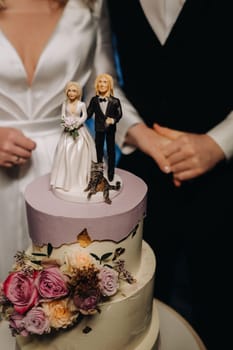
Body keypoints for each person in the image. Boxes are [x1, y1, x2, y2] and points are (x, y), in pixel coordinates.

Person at [107, 1, 233, 349]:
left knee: (220, 309)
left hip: (223, 180)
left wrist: (219, 143)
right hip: (141, 180)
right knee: (135, 312)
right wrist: (141, 135)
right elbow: (101, 78)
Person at [0, 0, 147, 281]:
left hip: (68, 163)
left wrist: (151, 140)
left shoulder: (90, 4)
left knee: (71, 289)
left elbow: (101, 89)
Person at [50, 81, 97, 196]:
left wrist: (76, 123)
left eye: (74, 90)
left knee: (81, 149)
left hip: (79, 131)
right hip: (67, 132)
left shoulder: (81, 105)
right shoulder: (64, 104)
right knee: (65, 151)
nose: (71, 93)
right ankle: (64, 180)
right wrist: (65, 123)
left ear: (78, 92)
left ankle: (80, 178)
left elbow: (84, 116)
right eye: (70, 90)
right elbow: (62, 116)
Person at [87, 73, 122, 181]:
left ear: (109, 85)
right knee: (98, 152)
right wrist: (76, 118)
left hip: (111, 130)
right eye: (100, 82)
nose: (102, 84)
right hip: (98, 129)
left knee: (111, 152)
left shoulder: (115, 101)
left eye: (105, 82)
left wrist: (113, 120)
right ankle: (99, 173)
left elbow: (119, 114)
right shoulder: (94, 100)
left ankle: (111, 173)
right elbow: (88, 114)